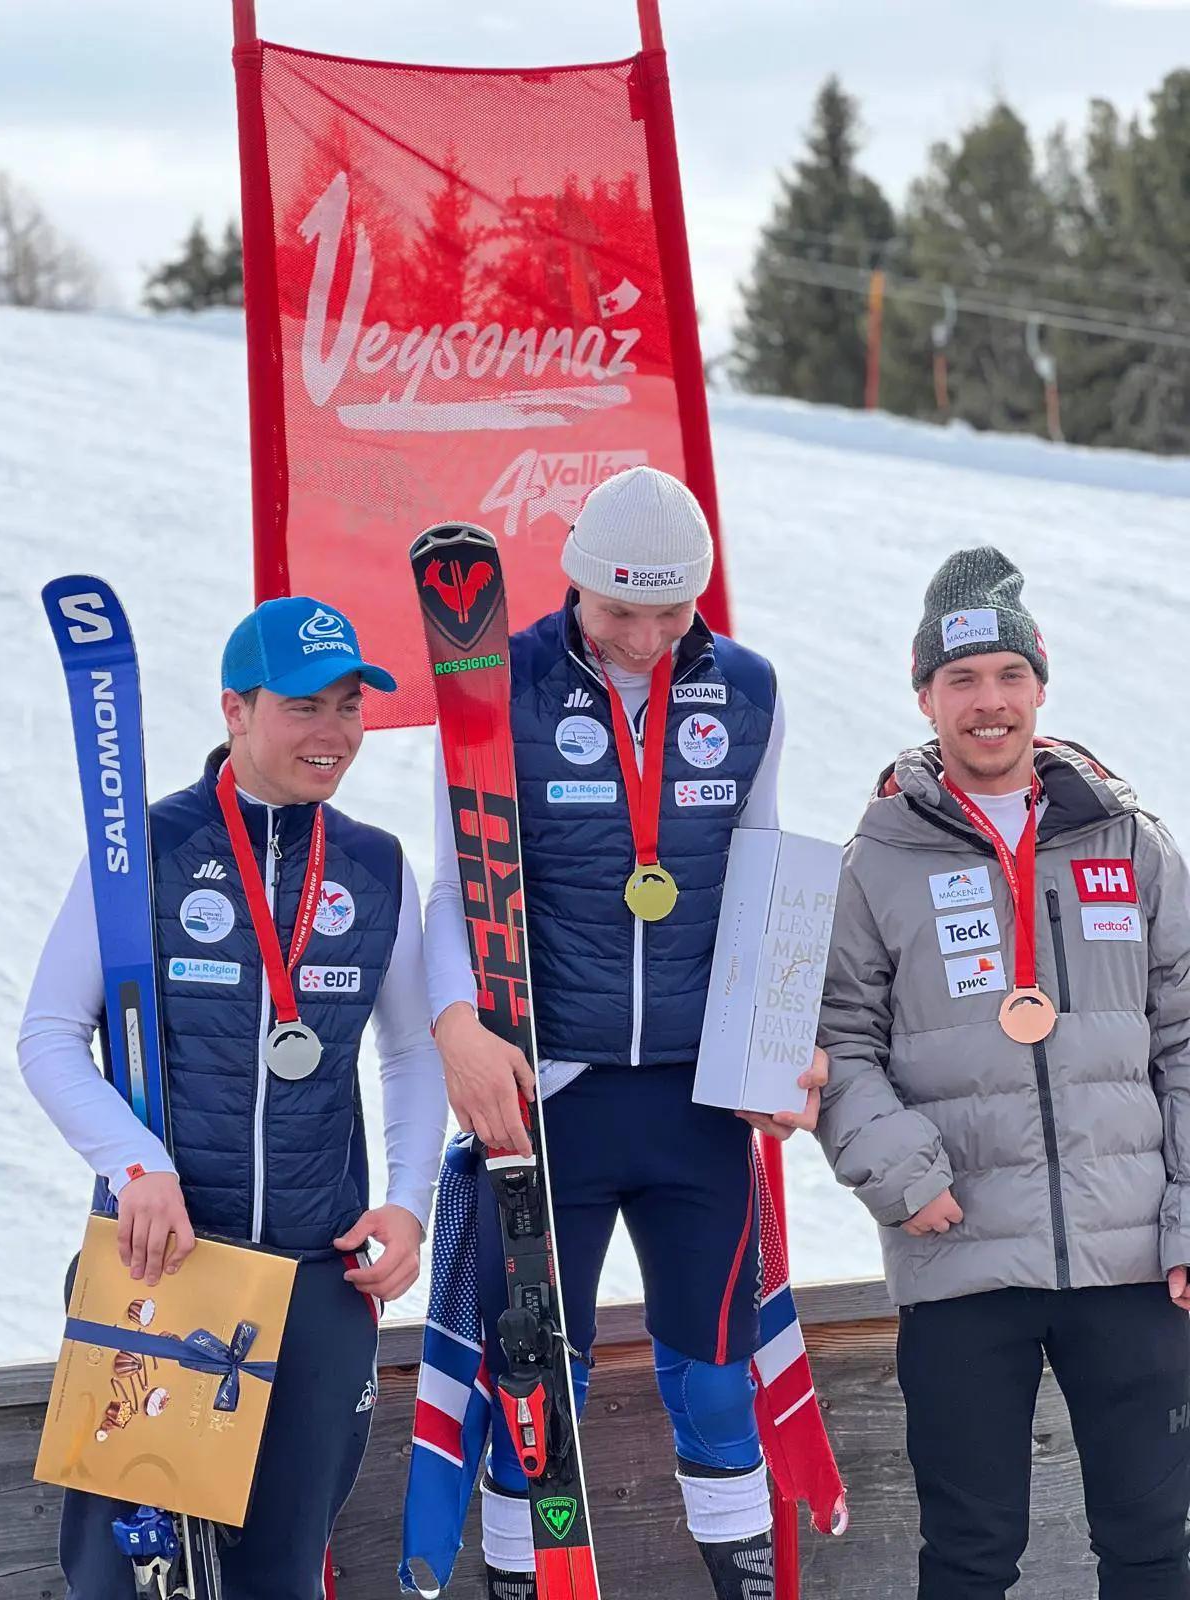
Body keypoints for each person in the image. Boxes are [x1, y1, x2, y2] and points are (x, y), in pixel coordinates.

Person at [422, 465, 828, 1600]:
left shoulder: (748, 689)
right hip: (554, 1093)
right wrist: (458, 1023)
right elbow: (454, 884)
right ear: (574, 585)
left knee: (713, 1379)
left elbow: (763, 877)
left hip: (699, 1103)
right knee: (539, 1385)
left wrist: (780, 1046)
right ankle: (523, 1582)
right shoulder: (500, 683)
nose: (647, 636)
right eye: (620, 610)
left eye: (672, 610)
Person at [19, 596, 448, 1600]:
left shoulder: (374, 865)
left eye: (349, 706)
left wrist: (409, 1200)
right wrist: (137, 1168)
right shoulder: (146, 851)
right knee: (129, 1578)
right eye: (304, 706)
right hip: (163, 1269)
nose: (334, 733)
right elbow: (48, 1036)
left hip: (313, 1281)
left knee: (280, 1573)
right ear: (235, 710)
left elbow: (414, 1053)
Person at [815, 545, 1190, 1599]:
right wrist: (901, 1170)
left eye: (1008, 676)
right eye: (963, 680)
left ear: (1041, 681)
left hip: (1131, 1266)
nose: (989, 704)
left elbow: (1187, 1033)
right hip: (961, 1256)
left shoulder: (1132, 841)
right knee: (972, 1558)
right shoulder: (877, 857)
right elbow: (837, 1039)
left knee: (1154, 1547)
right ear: (925, 693)